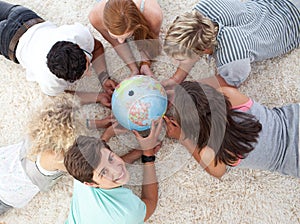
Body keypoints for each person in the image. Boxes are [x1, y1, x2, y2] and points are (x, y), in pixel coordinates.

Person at [164, 81, 299, 179]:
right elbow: (204, 97)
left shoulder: (212, 151)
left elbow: (218, 172)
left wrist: (183, 137)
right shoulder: (229, 94)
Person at [163, 0, 300, 89]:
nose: (176, 61)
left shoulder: (232, 60)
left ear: (205, 50)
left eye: (181, 59)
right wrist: (176, 78)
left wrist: (187, 88)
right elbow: (195, 36)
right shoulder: (204, 7)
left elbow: (230, 82)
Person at [0, 1, 110, 105]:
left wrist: (104, 78)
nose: (89, 73)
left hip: (24, 17)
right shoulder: (49, 81)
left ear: (77, 45)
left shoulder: (77, 34)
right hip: (7, 41)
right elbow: (60, 98)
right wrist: (97, 97)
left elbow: (97, 47)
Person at [0, 94, 87, 215]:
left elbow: (65, 120)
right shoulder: (59, 159)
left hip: (6, 165)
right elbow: (86, 167)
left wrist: (102, 122)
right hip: (6, 193)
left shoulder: (40, 130)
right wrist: (107, 135)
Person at [64, 134, 161, 224]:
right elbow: (150, 201)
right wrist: (148, 156)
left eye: (111, 158)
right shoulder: (128, 213)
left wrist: (140, 151)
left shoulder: (79, 171)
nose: (116, 170)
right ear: (91, 184)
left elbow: (101, 159)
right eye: (104, 172)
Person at [89, 0, 163, 81]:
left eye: (128, 35)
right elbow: (116, 43)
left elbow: (150, 40)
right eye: (114, 36)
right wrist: (134, 69)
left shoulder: (153, 14)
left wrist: (145, 63)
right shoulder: (95, 17)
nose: (121, 41)